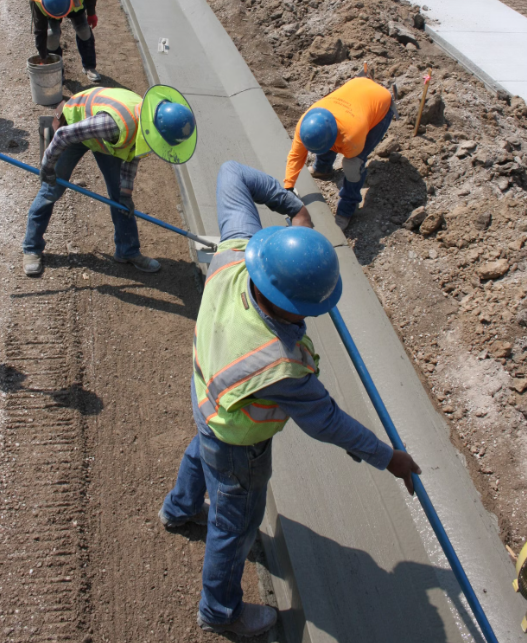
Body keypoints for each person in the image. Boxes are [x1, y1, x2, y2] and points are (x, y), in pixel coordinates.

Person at [160, 160, 420, 638]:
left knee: (200, 452)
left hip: (208, 398)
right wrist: (390, 458)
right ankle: (220, 612)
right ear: (295, 305)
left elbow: (231, 174)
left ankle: (178, 510)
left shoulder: (235, 252)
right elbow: (328, 423)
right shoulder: (281, 363)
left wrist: (295, 208)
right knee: (234, 527)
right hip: (239, 444)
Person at [22, 84, 197, 277]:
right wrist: (47, 167)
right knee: (51, 190)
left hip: (104, 140)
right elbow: (64, 136)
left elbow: (131, 157)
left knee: (119, 196)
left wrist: (126, 194)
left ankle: (127, 251)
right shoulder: (115, 124)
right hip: (75, 126)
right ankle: (32, 247)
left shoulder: (145, 126)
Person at [284, 76, 395, 232]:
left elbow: (351, 167)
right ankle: (323, 169)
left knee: (353, 166)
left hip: (380, 103)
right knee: (325, 142)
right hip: (357, 88)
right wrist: (288, 187)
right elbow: (296, 156)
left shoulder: (351, 136)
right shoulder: (306, 123)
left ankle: (347, 209)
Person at [29, 0, 101, 83]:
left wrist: (91, 14)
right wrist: (43, 56)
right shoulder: (38, 2)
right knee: (51, 36)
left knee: (83, 30)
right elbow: (40, 32)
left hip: (71, 2)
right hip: (51, 7)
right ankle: (57, 72)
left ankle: (89, 67)